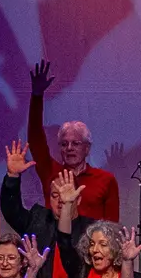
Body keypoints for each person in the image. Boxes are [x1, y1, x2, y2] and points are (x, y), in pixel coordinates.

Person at [26, 60, 119, 222]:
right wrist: (37, 97)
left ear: (87, 148)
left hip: (91, 246)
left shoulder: (105, 180)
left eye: (76, 143)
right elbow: (35, 140)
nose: (69, 148)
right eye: (64, 143)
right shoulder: (52, 173)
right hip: (56, 245)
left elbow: (112, 226)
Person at [2, 141, 91, 278]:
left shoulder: (90, 231)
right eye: (55, 195)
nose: (61, 200)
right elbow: (12, 211)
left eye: (66, 195)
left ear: (78, 199)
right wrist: (12, 177)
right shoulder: (38, 219)